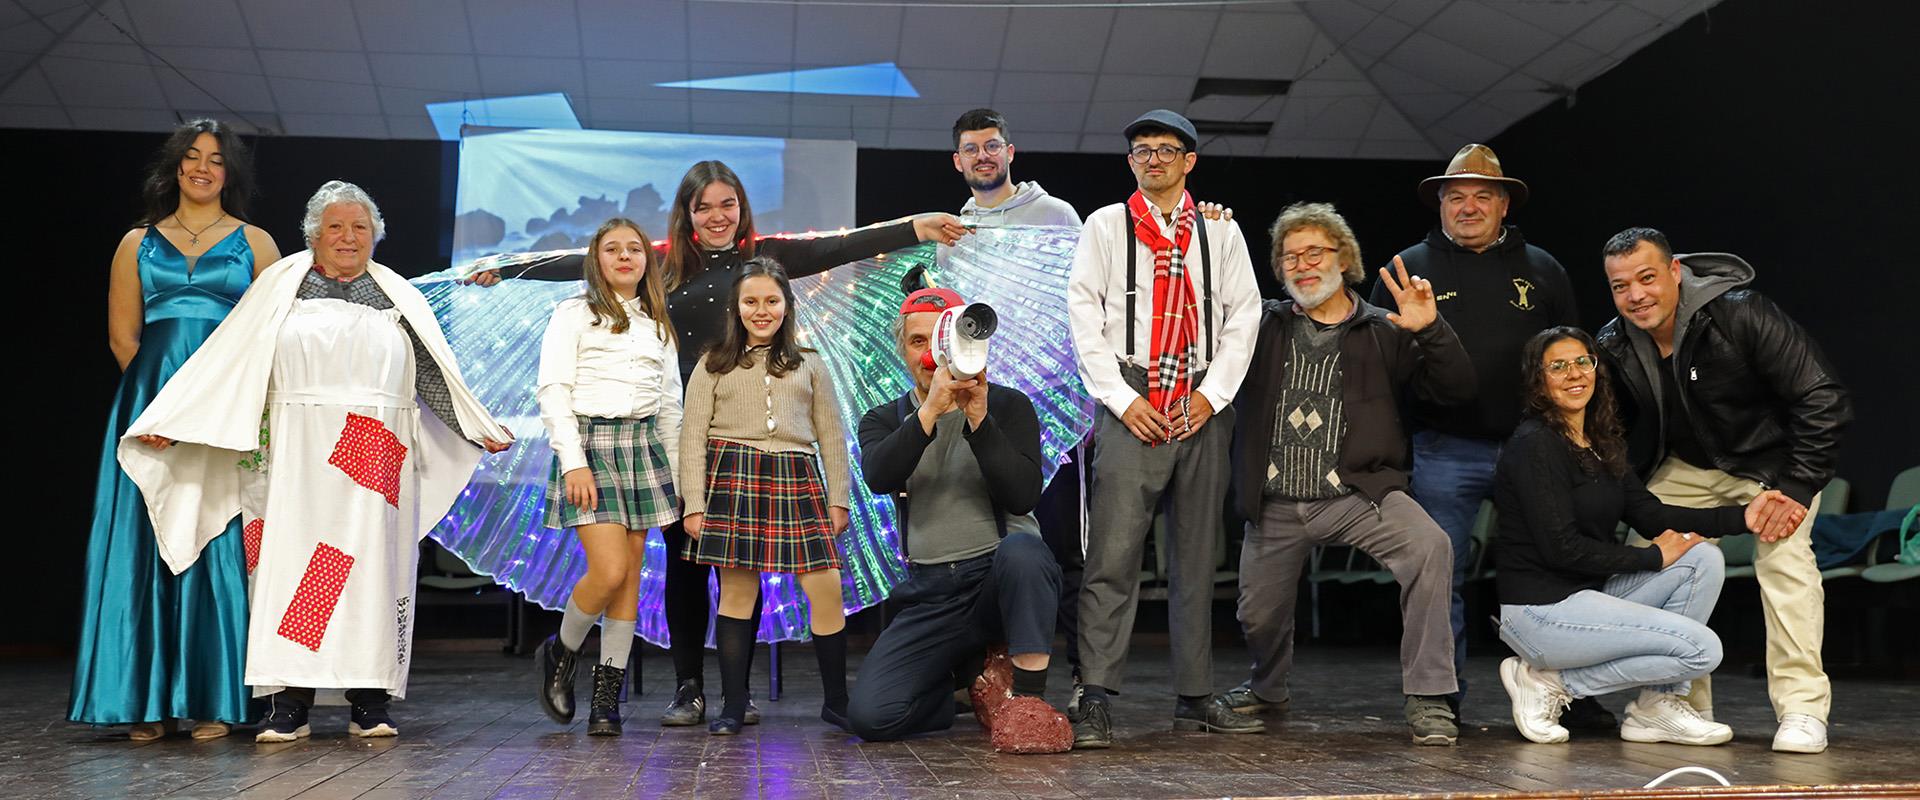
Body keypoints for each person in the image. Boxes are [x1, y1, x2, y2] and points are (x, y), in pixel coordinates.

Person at [480, 160, 967, 726]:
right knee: (686, 567)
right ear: (687, 214)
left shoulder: (770, 258)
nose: (717, 216)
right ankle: (689, 687)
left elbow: (844, 245)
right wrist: (511, 267)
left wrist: (916, 226)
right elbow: (584, 262)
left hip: (747, 443)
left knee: (742, 569)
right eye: (704, 206)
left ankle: (737, 694)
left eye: (727, 204)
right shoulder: (660, 263)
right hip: (682, 437)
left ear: (741, 209)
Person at [120, 180, 513, 743]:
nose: (348, 237)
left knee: (369, 571)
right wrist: (176, 425)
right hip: (294, 451)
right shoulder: (278, 287)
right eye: (335, 226)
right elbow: (229, 362)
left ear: (375, 235)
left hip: (374, 453)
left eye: (360, 227)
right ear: (312, 235)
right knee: (292, 569)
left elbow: (432, 373)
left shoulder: (398, 294)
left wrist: (474, 426)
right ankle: (290, 702)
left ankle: (368, 699)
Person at [1595, 227, 1849, 754]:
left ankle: (1802, 709)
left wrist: (1797, 487)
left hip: (1771, 463)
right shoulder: (1615, 342)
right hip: (1688, 466)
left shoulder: (1741, 313)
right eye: (1621, 286)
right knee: (1660, 561)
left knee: (1786, 561)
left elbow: (1821, 397)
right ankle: (1676, 701)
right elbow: (1604, 429)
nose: (1636, 295)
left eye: (1647, 278)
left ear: (1675, 271)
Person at [1229, 203, 1473, 745]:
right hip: (1275, 501)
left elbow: (1456, 390)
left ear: (1345, 259)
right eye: (1290, 256)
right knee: (1257, 615)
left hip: (1358, 494)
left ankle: (1430, 696)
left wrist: (1430, 330)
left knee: (1430, 546)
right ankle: (1267, 689)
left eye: (1315, 251)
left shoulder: (1385, 329)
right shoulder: (1261, 325)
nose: (1302, 264)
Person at [73, 118, 282, 741]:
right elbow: (122, 337)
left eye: (215, 160)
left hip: (224, 411)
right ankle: (140, 702)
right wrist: (158, 412)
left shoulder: (258, 244)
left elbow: (269, 339)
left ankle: (214, 699)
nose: (202, 168)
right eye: (191, 157)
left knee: (214, 535)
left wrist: (216, 409)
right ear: (174, 168)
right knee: (142, 543)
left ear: (230, 174)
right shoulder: (136, 242)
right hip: (150, 406)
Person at [1065, 109, 1262, 748]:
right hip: (1134, 396)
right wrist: (1122, 401)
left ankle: (1195, 696)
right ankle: (1095, 696)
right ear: (1131, 163)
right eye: (1142, 150)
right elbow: (1083, 317)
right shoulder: (1106, 225)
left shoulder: (1219, 232)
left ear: (1189, 161)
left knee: (1197, 557)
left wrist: (1212, 395)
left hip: (1200, 402)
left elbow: (1244, 315)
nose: (1153, 159)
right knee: (1113, 555)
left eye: (1165, 149)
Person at [1495, 327, 1793, 746]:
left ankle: (1656, 707)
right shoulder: (1534, 446)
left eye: (1583, 361)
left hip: (1586, 600)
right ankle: (1552, 682)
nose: (1574, 373)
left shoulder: (1599, 440)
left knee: (1703, 559)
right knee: (1701, 650)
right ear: (1537, 379)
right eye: (1557, 366)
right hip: (1541, 613)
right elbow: (1562, 549)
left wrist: (1744, 517)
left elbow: (1652, 515)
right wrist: (1651, 559)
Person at [1369, 143, 1580, 722]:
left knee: (1550, 574)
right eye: (1455, 197)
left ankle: (1564, 698)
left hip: (1533, 448)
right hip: (1442, 448)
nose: (1468, 207)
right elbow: (1374, 370)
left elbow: (1574, 360)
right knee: (1438, 575)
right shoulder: (1408, 268)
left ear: (1504, 204)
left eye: (1481, 196)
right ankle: (1438, 699)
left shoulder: (1545, 269)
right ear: (1439, 205)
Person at [846, 287, 1070, 753]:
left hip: (996, 579)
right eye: (915, 341)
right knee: (871, 716)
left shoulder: (1009, 406)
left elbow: (1023, 494)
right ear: (902, 350)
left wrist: (979, 420)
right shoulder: (885, 418)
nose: (928, 354)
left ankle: (1028, 704)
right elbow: (879, 476)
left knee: (1025, 549)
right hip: (932, 593)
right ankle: (968, 680)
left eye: (938, 341)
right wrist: (929, 412)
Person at [680, 258, 855, 735]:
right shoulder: (712, 362)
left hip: (797, 478)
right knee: (737, 591)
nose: (762, 310)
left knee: (827, 587)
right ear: (736, 308)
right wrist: (693, 504)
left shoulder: (811, 362)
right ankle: (733, 706)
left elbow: (832, 435)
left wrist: (837, 497)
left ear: (786, 305)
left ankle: (837, 701)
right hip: (734, 477)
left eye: (771, 301)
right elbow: (691, 435)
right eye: (751, 301)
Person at [534, 218, 683, 737]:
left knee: (630, 577)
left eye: (635, 249)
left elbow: (670, 406)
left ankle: (606, 697)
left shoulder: (658, 326)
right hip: (590, 446)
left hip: (643, 448)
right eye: (612, 249)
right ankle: (560, 651)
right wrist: (573, 460)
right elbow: (553, 389)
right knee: (610, 569)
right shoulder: (573, 314)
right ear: (596, 259)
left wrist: (677, 480)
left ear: (648, 260)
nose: (625, 256)